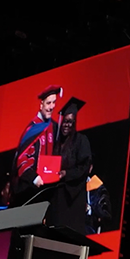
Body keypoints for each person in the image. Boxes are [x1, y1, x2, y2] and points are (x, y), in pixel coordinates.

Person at [47, 97, 92, 234]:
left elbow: (84, 167)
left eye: (70, 122)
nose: (66, 125)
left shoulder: (81, 140)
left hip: (72, 198)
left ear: (75, 123)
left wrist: (67, 173)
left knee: (68, 233)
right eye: (64, 121)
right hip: (57, 196)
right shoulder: (56, 143)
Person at [12, 85, 61, 206]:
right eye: (48, 103)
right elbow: (22, 159)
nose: (51, 107)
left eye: (54, 102)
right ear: (41, 105)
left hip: (48, 188)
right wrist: (34, 178)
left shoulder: (55, 127)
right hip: (31, 189)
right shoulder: (32, 129)